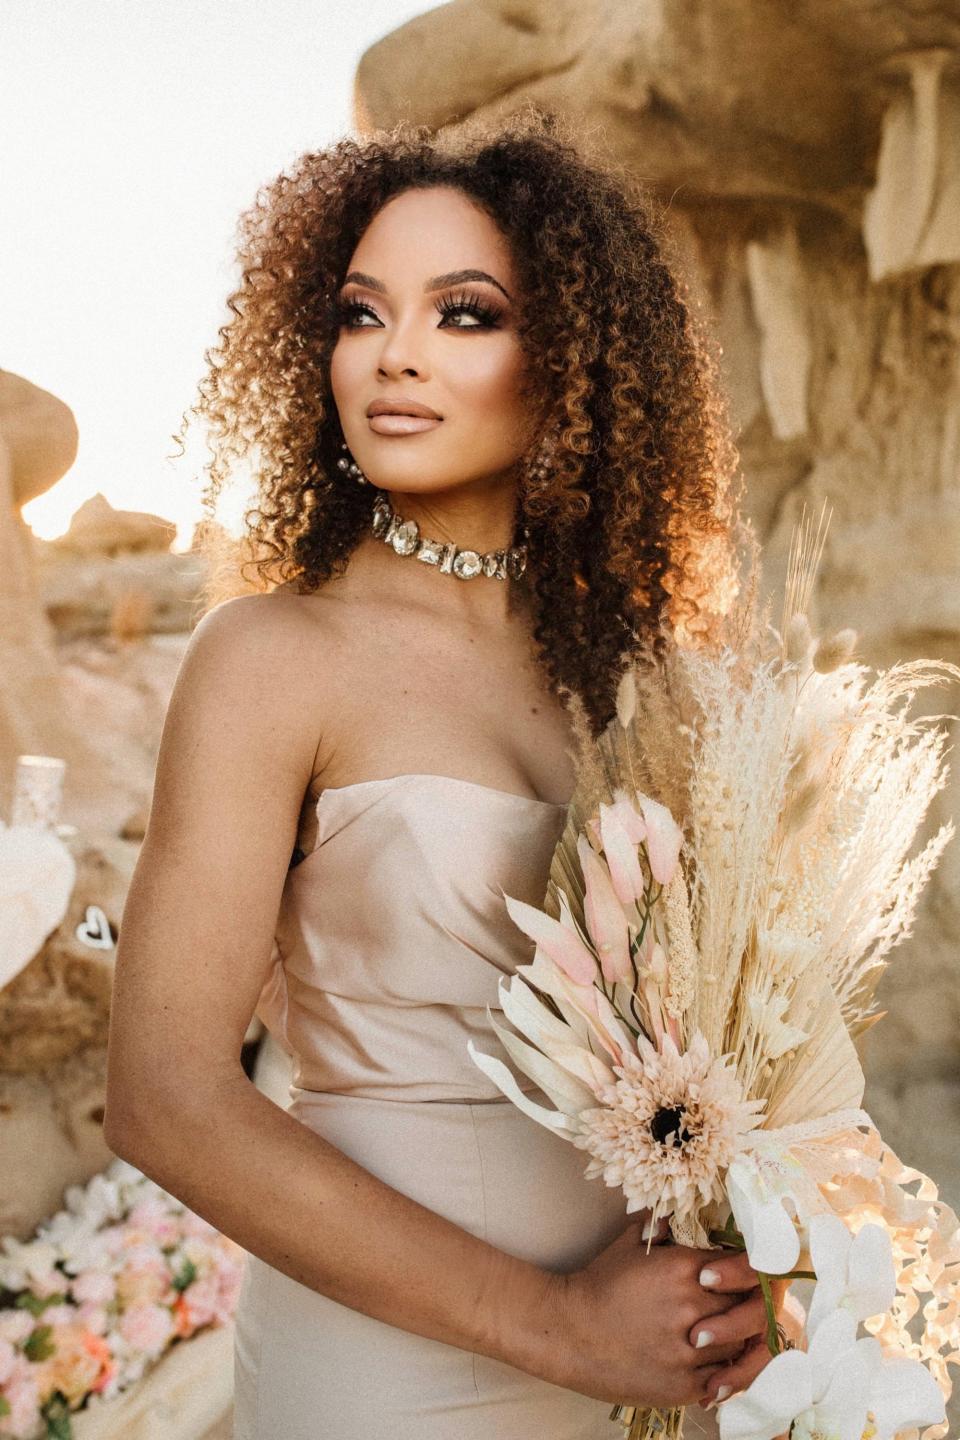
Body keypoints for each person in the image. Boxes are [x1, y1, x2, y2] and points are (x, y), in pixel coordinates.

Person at [104, 108, 785, 1439]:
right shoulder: (273, 655)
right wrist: (552, 1326)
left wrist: (755, 1263)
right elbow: (167, 1100)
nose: (395, 357)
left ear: (573, 361)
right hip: (387, 1372)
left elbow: (744, 1043)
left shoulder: (649, 676)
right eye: (363, 315)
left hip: (652, 1369)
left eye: (463, 314)